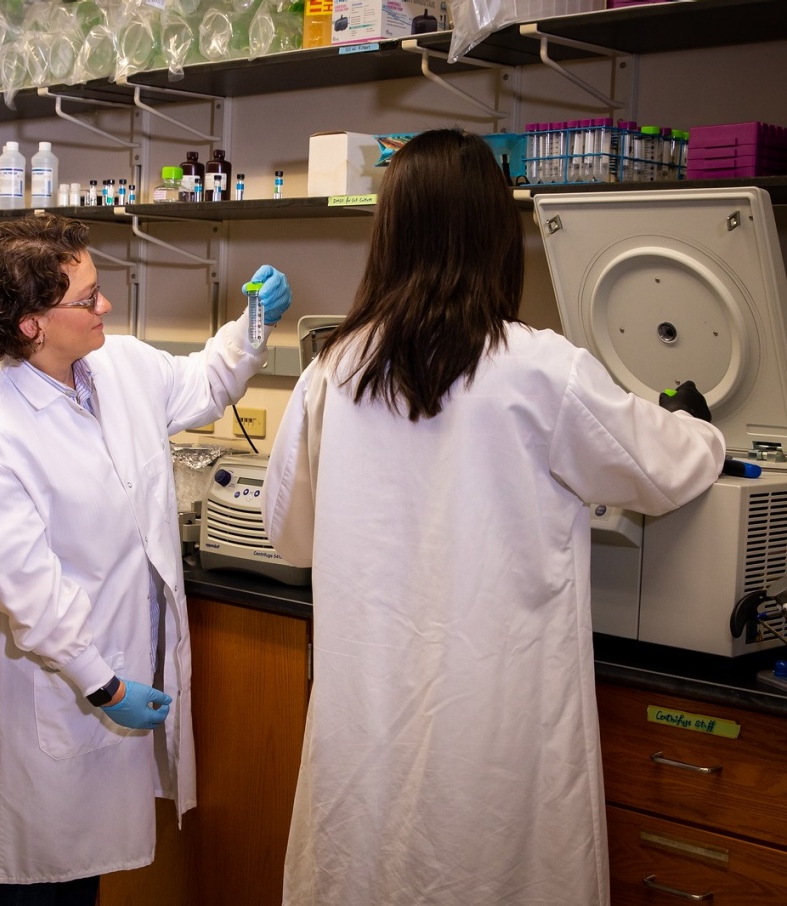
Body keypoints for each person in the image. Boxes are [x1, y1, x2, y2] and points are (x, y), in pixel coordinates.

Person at [262, 128, 725, 906]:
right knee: (494, 868)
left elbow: (290, 532)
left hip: (369, 711)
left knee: (363, 865)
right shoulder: (540, 366)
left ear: (391, 232)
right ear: (494, 234)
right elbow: (661, 467)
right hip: (497, 717)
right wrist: (699, 424)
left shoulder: (332, 371)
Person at [0, 213, 290, 904]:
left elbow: (205, 382)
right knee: (41, 880)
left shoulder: (118, 366)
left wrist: (254, 323)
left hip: (111, 667)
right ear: (32, 323)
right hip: (60, 685)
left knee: (81, 875)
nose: (104, 306)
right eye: (86, 297)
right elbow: (30, 596)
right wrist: (104, 686)